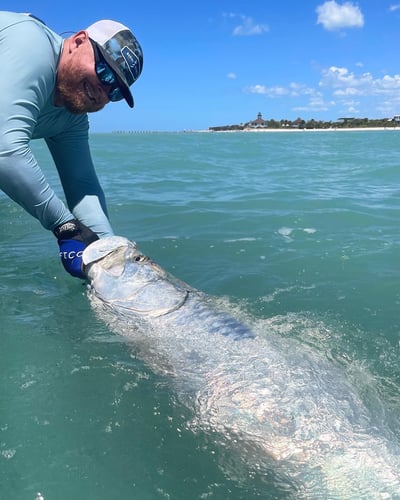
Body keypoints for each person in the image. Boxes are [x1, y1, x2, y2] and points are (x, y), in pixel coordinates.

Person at [0, 11, 143, 278]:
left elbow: (82, 186)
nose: (103, 89)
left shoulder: (71, 118)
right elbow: (5, 150)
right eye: (104, 71)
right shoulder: (31, 45)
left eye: (115, 91)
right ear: (78, 41)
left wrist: (109, 256)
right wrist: (66, 227)